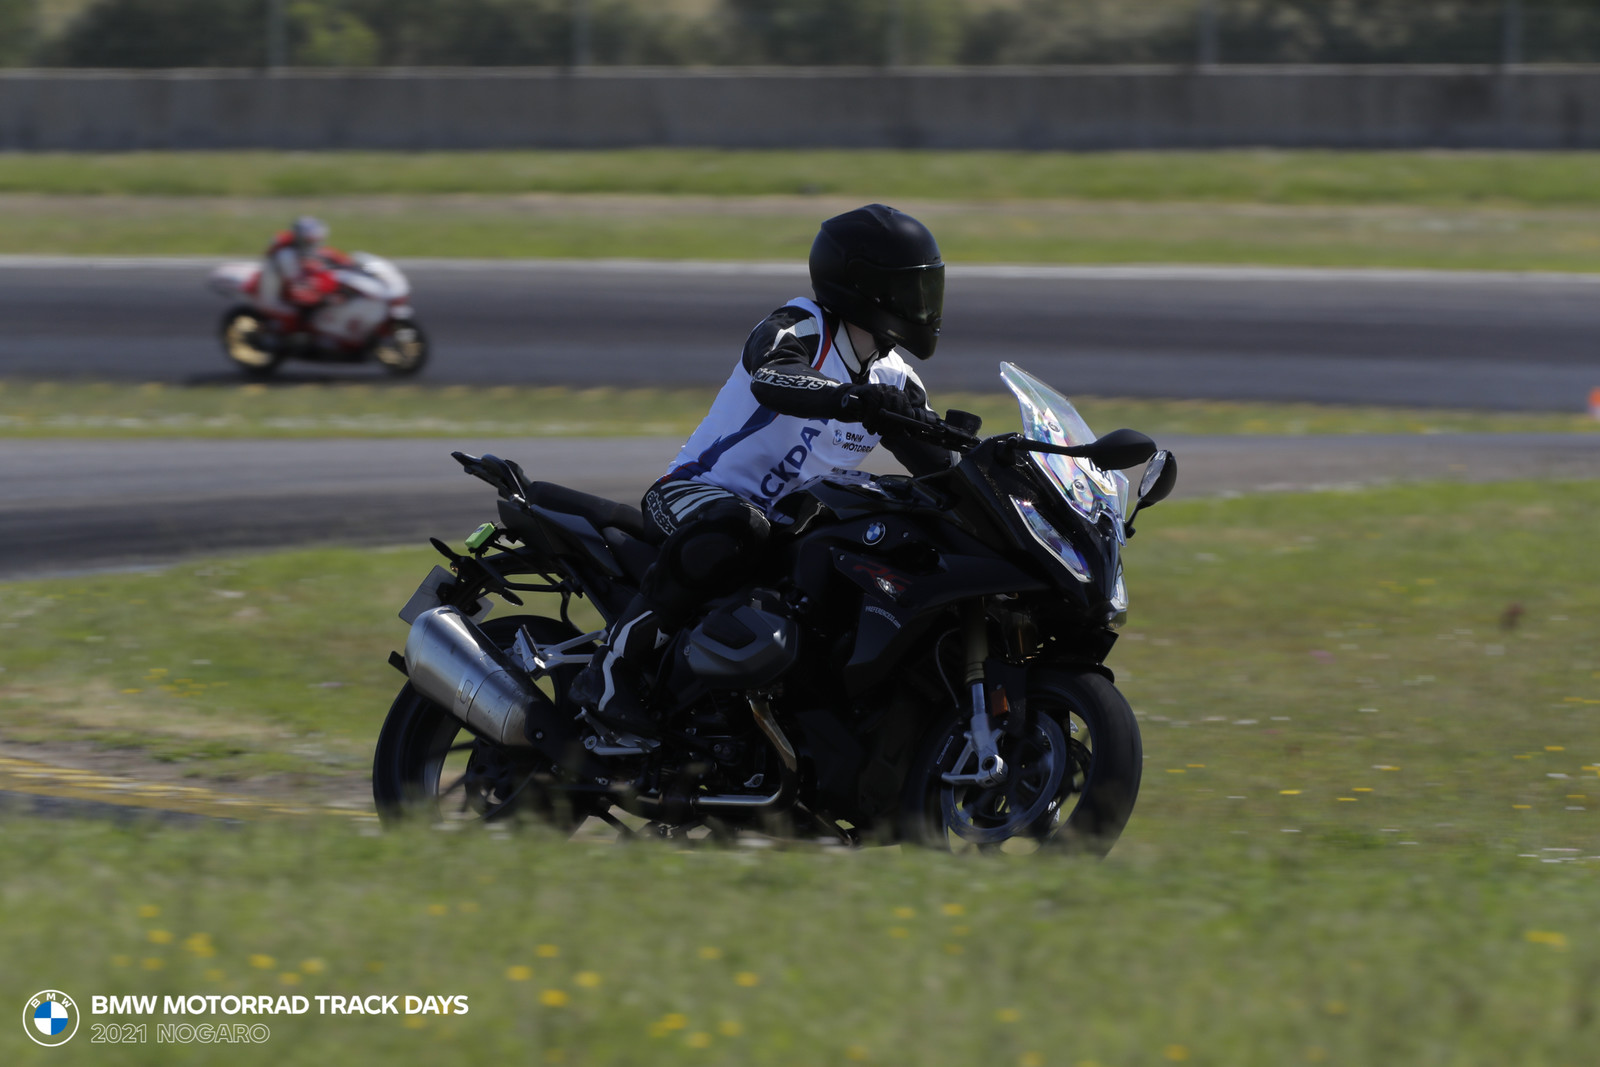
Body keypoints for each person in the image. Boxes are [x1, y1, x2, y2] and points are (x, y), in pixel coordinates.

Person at [569, 203, 955, 736]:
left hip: (785, 529)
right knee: (738, 528)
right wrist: (849, 399)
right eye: (912, 289)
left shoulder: (898, 380)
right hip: (693, 494)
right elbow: (773, 377)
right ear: (871, 287)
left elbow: (944, 468)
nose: (925, 304)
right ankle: (610, 672)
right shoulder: (801, 324)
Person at [260, 216, 350, 333]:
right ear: (301, 239)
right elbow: (297, 284)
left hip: (295, 288)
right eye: (310, 242)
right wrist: (325, 297)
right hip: (275, 296)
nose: (314, 245)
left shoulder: (311, 251)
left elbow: (337, 258)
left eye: (316, 241)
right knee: (299, 318)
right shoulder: (286, 255)